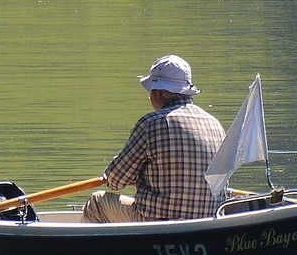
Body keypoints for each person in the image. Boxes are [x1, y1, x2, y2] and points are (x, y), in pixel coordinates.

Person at [84, 54, 227, 223]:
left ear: (158, 93)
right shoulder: (215, 125)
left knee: (97, 202)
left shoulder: (151, 124)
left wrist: (135, 173)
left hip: (158, 222)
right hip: (208, 222)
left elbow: (116, 180)